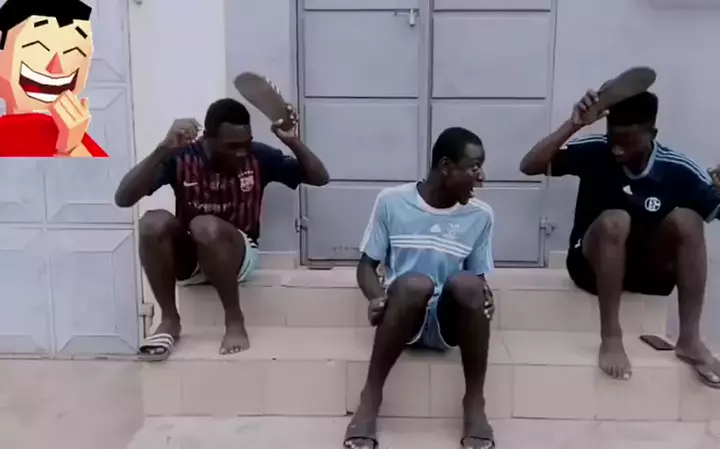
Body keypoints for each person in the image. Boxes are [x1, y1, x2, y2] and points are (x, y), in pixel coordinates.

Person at [519, 90, 720, 388]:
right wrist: (573, 124)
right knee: (616, 220)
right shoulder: (596, 150)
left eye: (627, 141)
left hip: (646, 271)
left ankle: (689, 339)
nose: (617, 148)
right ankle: (611, 336)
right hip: (590, 266)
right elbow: (529, 165)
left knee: (689, 220)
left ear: (652, 135)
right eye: (613, 137)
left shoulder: (677, 168)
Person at [114, 98, 329, 360]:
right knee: (152, 222)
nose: (241, 153)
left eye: (245, 144)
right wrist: (163, 149)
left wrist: (292, 140)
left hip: (239, 254)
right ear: (208, 139)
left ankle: (234, 318)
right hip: (193, 255)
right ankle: (169, 320)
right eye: (232, 146)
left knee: (204, 225)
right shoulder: (182, 157)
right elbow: (123, 198)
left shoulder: (258, 156)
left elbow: (320, 178)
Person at [344, 127, 496, 449]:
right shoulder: (391, 202)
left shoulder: (480, 216)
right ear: (445, 166)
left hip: (447, 322)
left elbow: (477, 278)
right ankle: (370, 398)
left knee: (467, 284)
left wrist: (484, 295)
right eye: (473, 167)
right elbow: (366, 266)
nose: (481, 177)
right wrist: (376, 297)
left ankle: (474, 402)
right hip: (404, 314)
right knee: (415, 284)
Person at [0, 0, 107, 157]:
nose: (57, 68)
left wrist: (71, 148)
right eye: (37, 48)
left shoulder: (69, 136)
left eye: (74, 52)